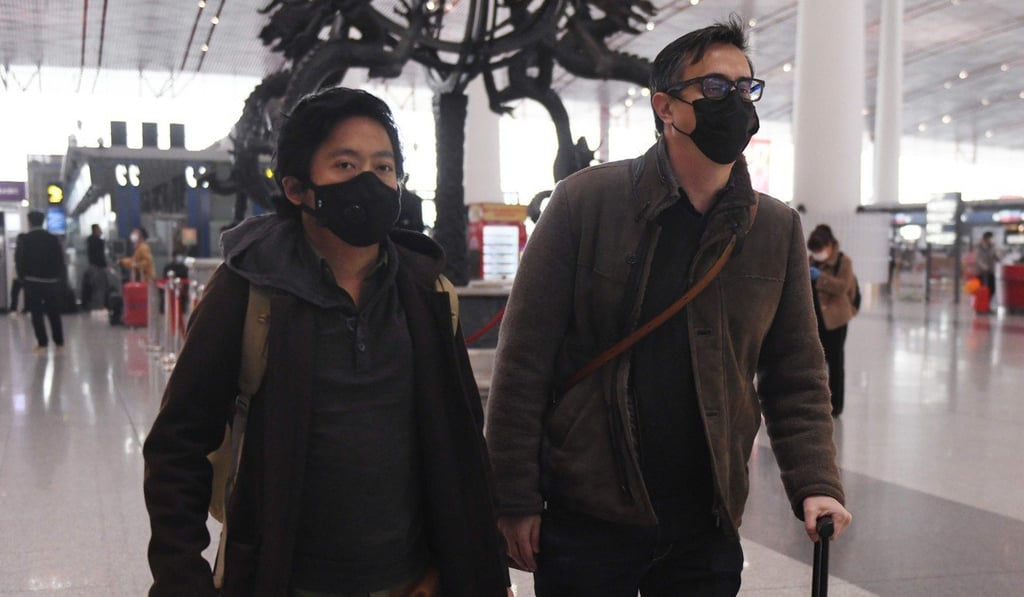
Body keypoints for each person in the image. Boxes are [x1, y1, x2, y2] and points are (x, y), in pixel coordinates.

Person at [485, 17, 851, 596]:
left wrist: (816, 483)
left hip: (705, 519)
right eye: (713, 87)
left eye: (744, 87)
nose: (734, 100)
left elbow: (796, 375)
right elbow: (524, 362)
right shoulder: (586, 203)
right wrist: (513, 497)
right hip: (588, 514)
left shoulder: (774, 227)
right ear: (666, 108)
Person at [143, 87, 510, 596]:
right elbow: (177, 447)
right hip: (285, 580)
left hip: (412, 581)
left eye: (384, 167)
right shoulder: (249, 289)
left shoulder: (425, 291)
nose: (371, 181)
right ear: (297, 188)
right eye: (344, 165)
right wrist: (183, 577)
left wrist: (482, 565)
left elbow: (462, 440)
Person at [807, 224, 858, 417]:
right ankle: (817, 402)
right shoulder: (812, 260)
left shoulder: (844, 262)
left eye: (820, 250)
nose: (818, 254)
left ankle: (836, 406)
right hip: (816, 319)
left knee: (835, 363)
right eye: (815, 251)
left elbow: (843, 287)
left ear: (830, 245)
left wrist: (821, 278)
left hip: (836, 320)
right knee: (816, 362)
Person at [14, 211, 66, 353]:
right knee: (54, 312)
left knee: (36, 314)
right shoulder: (52, 238)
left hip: (32, 281)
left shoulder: (24, 239)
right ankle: (59, 343)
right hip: (51, 281)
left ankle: (42, 344)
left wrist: (22, 278)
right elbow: (60, 259)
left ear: (29, 222)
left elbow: (19, 259)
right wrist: (57, 276)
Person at [975, 231, 998, 302]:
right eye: (990, 238)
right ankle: (982, 305)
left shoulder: (992, 246)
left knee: (992, 288)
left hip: (990, 271)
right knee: (982, 289)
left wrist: (998, 256)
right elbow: (978, 259)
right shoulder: (979, 246)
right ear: (985, 238)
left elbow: (995, 256)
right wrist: (984, 267)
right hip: (981, 272)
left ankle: (987, 303)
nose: (991, 240)